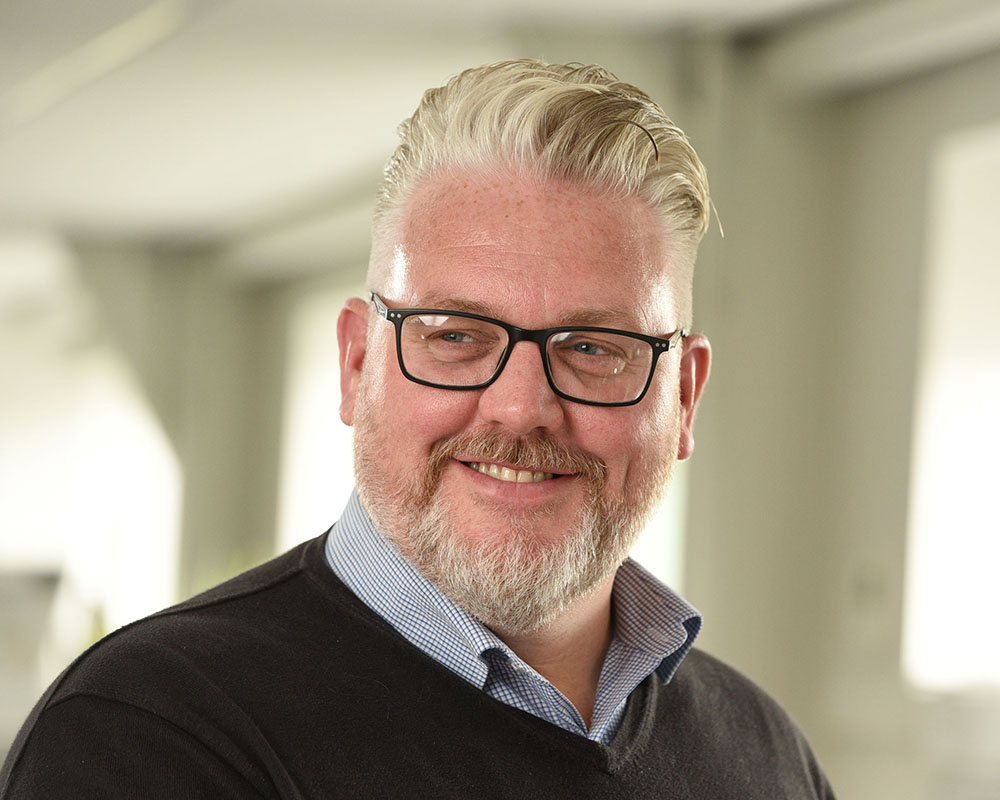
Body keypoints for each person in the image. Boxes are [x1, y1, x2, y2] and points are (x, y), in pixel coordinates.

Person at [0, 59, 835, 798]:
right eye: (456, 336)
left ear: (684, 398)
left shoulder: (766, 757)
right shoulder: (152, 733)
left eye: (594, 348)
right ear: (357, 364)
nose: (520, 406)